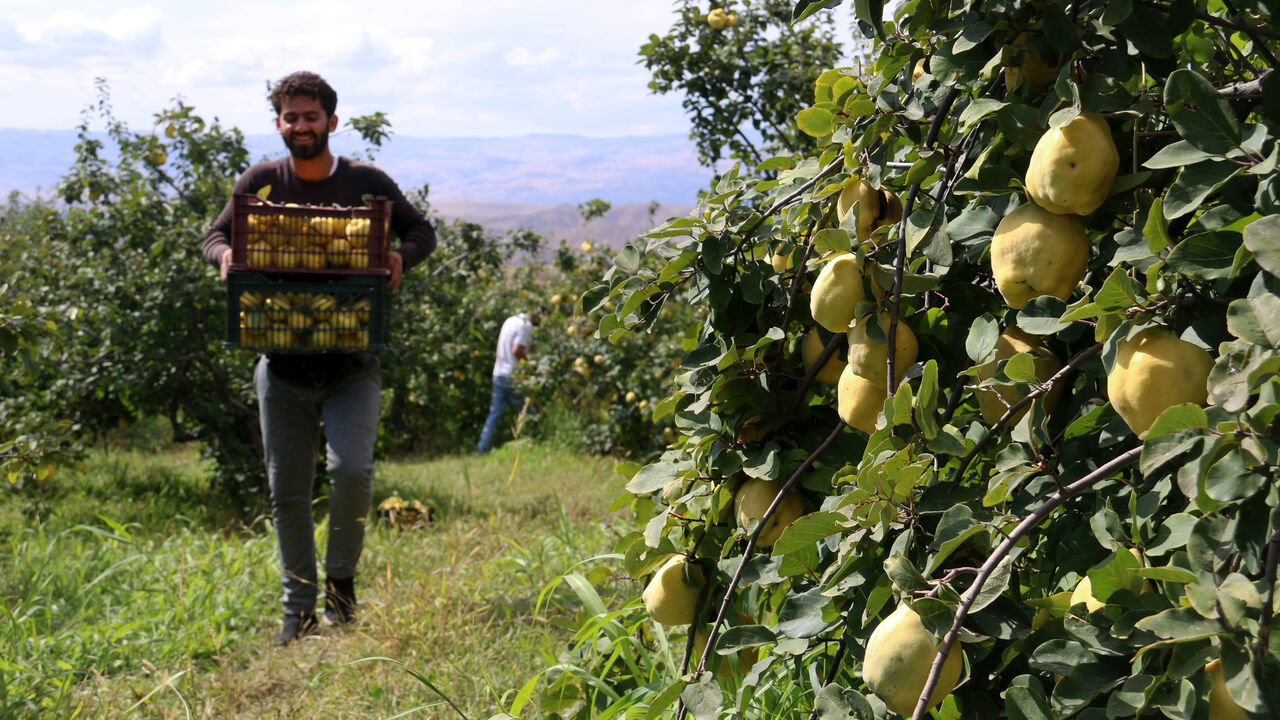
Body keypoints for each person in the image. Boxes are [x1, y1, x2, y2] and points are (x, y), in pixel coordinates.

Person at [202, 71, 436, 646]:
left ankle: (341, 589)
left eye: (310, 117)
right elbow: (213, 237)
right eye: (290, 117)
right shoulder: (261, 180)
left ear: (331, 121)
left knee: (351, 471)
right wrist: (227, 254)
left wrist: (402, 257)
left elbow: (421, 231)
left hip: (351, 361)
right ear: (278, 123)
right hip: (280, 363)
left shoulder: (364, 180)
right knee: (287, 490)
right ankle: (298, 611)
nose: (300, 126)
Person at [476, 309, 542, 453]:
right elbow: (517, 350)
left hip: (498, 373)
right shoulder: (525, 325)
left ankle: (481, 449)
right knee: (529, 413)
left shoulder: (510, 320)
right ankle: (537, 444)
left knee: (494, 414)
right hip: (513, 377)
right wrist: (530, 365)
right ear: (537, 317)